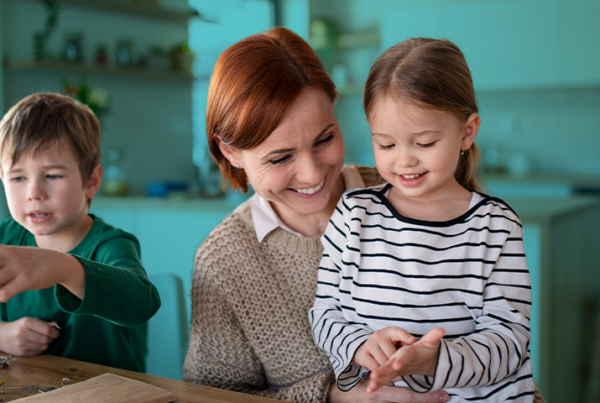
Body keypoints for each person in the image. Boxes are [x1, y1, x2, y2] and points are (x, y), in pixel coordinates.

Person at [183, 27, 451, 403]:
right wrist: (334, 397)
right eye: (280, 157)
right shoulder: (225, 262)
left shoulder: (412, 192)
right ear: (230, 152)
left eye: (324, 139)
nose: (312, 175)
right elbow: (211, 399)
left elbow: (503, 345)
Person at [309, 38, 540, 402]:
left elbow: (509, 339)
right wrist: (359, 344)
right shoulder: (353, 214)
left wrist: (436, 360)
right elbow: (324, 313)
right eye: (386, 144)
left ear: (467, 132)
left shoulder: (496, 226)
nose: (404, 161)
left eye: (425, 143)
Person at [0, 93, 160, 372]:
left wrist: (65, 268)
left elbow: (142, 303)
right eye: (18, 178)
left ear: (92, 181)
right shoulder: (5, 239)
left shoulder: (110, 245)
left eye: (52, 175)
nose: (34, 193)